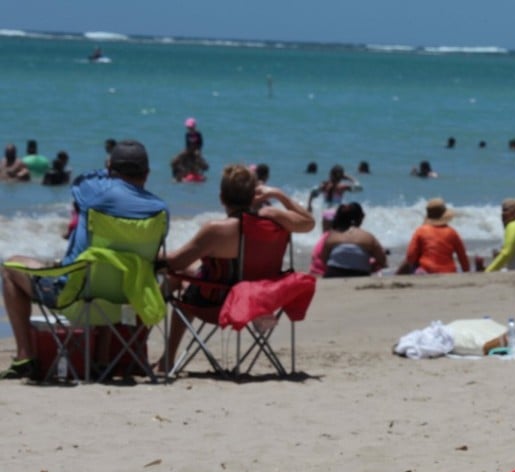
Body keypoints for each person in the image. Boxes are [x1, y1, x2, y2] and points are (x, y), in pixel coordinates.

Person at [1, 140, 168, 379]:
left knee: (10, 267)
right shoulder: (160, 211)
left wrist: (107, 170)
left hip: (75, 297)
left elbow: (80, 180)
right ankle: (100, 360)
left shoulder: (92, 197)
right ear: (148, 174)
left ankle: (25, 355)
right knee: (110, 263)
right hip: (128, 300)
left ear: (110, 169)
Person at [153, 164, 314, 371]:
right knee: (189, 273)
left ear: (221, 197)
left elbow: (176, 262)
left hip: (218, 305)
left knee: (178, 278)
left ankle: (157, 350)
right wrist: (279, 195)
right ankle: (157, 352)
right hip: (259, 301)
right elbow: (309, 223)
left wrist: (149, 255)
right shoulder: (274, 221)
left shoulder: (216, 231)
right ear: (253, 196)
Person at [396, 198, 470, 274]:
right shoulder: (452, 232)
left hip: (426, 270)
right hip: (449, 271)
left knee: (414, 261)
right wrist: (466, 270)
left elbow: (410, 256)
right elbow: (462, 256)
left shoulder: (421, 231)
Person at [320, 203, 388, 278]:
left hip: (333, 273)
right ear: (360, 218)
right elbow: (382, 260)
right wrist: (370, 266)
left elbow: (323, 259)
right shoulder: (367, 237)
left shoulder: (333, 236)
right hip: (360, 273)